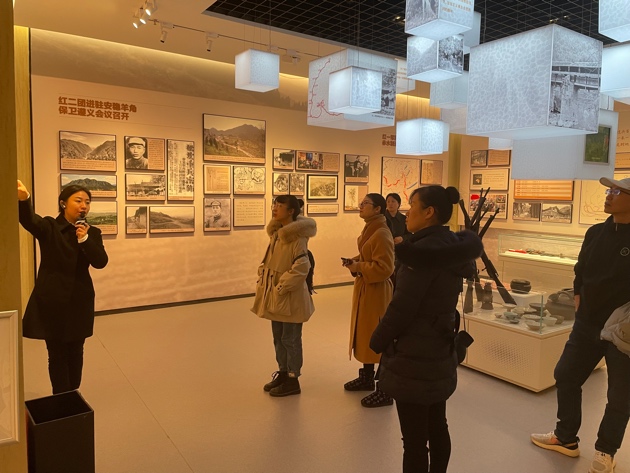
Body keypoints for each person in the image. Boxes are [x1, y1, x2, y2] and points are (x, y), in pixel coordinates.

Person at [370, 185, 482, 473]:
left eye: (412, 206)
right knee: (437, 425)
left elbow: (402, 308)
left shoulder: (421, 255)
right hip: (439, 347)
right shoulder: (450, 248)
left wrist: (378, 340)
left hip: (414, 354)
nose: (407, 213)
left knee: (414, 440)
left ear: (429, 212)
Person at [531, 176, 630, 473]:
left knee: (620, 395)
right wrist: (577, 294)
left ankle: (605, 451)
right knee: (565, 375)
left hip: (622, 329)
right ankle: (565, 437)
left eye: (617, 191)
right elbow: (581, 269)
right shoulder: (596, 232)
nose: (609, 195)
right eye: (609, 190)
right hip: (588, 322)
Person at [17, 180, 108, 394]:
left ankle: (72, 393)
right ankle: (61, 397)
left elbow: (100, 261)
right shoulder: (50, 227)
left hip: (79, 300)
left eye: (87, 202)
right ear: (63, 203)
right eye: (78, 200)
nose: (84, 206)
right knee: (56, 353)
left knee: (76, 351)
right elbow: (29, 220)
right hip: (52, 300)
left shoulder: (92, 233)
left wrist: (84, 240)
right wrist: (24, 199)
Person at [251, 195, 317, 397]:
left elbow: (302, 266)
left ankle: (292, 379)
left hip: (289, 296)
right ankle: (282, 372)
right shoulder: (277, 234)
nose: (275, 208)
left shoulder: (297, 237)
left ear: (291, 211)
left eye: (280, 206)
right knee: (278, 338)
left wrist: (281, 286)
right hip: (276, 295)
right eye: (275, 205)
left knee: (290, 339)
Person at [342, 193, 395, 407]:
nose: (360, 206)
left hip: (377, 291)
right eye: (361, 203)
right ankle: (366, 377)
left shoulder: (381, 232)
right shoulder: (370, 228)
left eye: (365, 203)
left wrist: (359, 267)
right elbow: (369, 257)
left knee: (377, 335)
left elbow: (385, 268)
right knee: (365, 333)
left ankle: (384, 389)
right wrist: (355, 261)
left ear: (377, 209)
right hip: (367, 289)